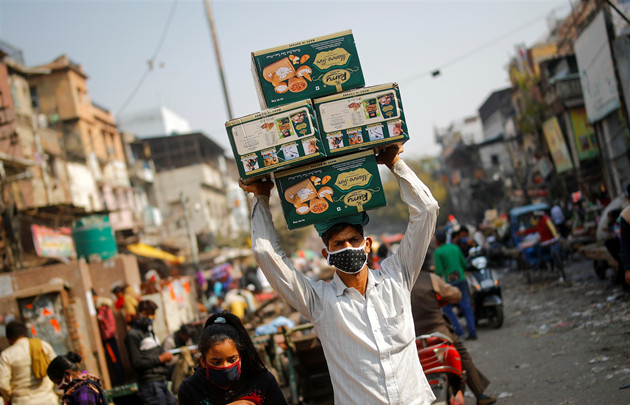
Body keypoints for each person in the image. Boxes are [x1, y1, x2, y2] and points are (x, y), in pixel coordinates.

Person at [240, 145, 439, 404]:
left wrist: (395, 163)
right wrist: (261, 197)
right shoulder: (319, 302)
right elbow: (265, 253)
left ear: (367, 245)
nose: (347, 247)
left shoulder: (397, 277)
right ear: (327, 254)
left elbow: (427, 211)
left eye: (353, 240)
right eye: (338, 243)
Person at [411, 271, 497, 405]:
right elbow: (455, 295)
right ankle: (479, 394)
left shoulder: (396, 283)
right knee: (463, 355)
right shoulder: (429, 278)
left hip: (411, 338)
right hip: (439, 332)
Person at [177, 312, 287, 405]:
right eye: (217, 362)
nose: (226, 367)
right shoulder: (190, 390)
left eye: (232, 360)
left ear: (240, 357)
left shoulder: (262, 381)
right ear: (203, 362)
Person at [124, 300, 175, 405]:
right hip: (150, 384)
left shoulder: (150, 332)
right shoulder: (132, 335)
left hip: (162, 380)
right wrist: (160, 359)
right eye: (147, 314)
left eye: (152, 314)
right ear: (139, 313)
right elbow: (136, 363)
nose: (150, 317)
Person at [0, 321, 58, 404]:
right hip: (48, 399)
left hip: (22, 401)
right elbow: (58, 369)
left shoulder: (7, 355)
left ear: (10, 339)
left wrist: (9, 398)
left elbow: (3, 385)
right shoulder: (43, 346)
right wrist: (50, 386)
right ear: (25, 333)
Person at [433, 229, 477, 340]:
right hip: (461, 279)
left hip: (450, 282)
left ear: (437, 241)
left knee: (447, 308)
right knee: (466, 305)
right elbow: (464, 263)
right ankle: (472, 332)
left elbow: (439, 272)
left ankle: (459, 332)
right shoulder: (455, 247)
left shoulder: (438, 252)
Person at [92, 290, 125, 386]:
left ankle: (121, 380)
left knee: (114, 359)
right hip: (111, 335)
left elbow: (99, 318)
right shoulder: (105, 306)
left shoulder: (102, 308)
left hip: (108, 337)